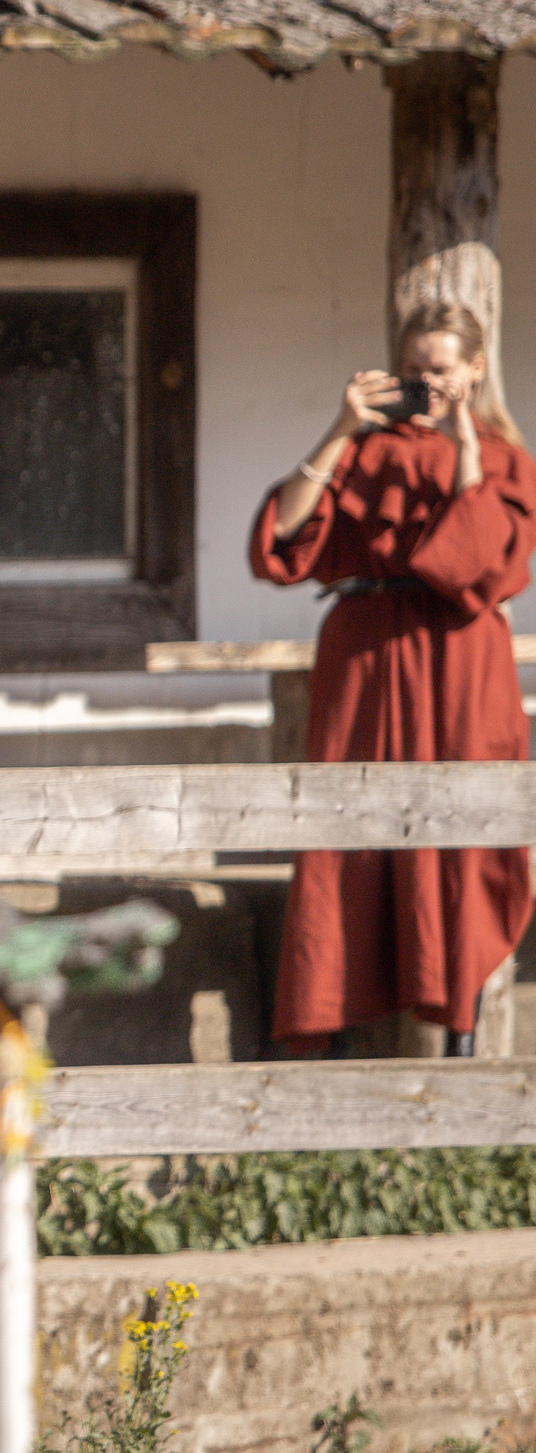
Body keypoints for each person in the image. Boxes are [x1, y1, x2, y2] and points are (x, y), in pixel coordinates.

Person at [251, 302, 536, 1055]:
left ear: (476, 368)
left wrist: (465, 446)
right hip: (367, 658)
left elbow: (477, 567)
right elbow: (281, 539)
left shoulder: (505, 457)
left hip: (460, 662)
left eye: (440, 368)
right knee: (346, 832)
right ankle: (326, 1039)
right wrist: (342, 427)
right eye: (412, 368)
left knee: (464, 839)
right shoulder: (362, 448)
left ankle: (459, 1032)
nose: (425, 383)